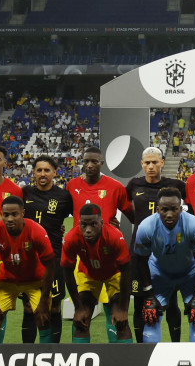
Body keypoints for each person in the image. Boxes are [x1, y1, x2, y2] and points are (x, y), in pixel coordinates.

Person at [66, 145, 134, 339]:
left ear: (101, 163)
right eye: (86, 161)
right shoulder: (72, 186)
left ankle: (117, 361)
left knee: (112, 310)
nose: (89, 165)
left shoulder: (115, 187)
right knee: (81, 314)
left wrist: (115, 227)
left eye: (94, 161)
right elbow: (63, 212)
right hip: (84, 255)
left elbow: (133, 215)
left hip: (110, 253)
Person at [124, 146, 185, 342]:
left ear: (162, 163)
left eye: (154, 162)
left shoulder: (176, 185)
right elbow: (123, 205)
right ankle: (141, 347)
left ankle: (176, 345)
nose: (151, 166)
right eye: (147, 163)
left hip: (167, 253)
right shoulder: (134, 184)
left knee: (172, 301)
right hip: (140, 252)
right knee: (140, 301)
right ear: (142, 164)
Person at [133, 188, 195, 343]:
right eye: (165, 210)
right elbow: (140, 262)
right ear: (158, 208)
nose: (169, 214)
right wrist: (148, 295)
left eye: (174, 209)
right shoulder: (146, 227)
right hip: (160, 273)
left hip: (189, 273)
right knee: (151, 316)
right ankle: (153, 364)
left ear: (181, 209)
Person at [0, 197, 56, 344]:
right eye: (5, 215)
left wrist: (44, 300)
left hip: (35, 281)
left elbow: (50, 265)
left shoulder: (36, 231)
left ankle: (48, 360)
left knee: (43, 319)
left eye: (14, 214)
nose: (9, 219)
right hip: (7, 281)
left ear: (23, 213)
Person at [61, 203, 133, 343]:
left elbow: (126, 271)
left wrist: (123, 308)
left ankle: (125, 362)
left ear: (101, 222)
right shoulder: (71, 238)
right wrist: (78, 307)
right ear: (79, 223)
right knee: (81, 319)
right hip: (89, 274)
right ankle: (80, 362)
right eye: (84, 225)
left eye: (93, 224)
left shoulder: (114, 236)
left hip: (114, 273)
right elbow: (68, 273)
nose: (88, 230)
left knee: (121, 321)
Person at [21, 155, 72, 343]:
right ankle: (27, 351)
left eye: (47, 170)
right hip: (28, 257)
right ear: (33, 172)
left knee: (54, 306)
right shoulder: (25, 192)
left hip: (53, 257)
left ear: (55, 173)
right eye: (39, 170)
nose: (42, 174)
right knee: (28, 306)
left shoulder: (64, 196)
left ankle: (53, 351)